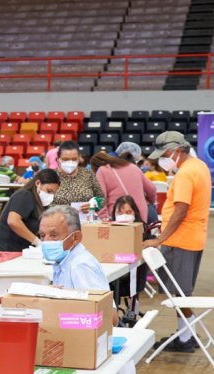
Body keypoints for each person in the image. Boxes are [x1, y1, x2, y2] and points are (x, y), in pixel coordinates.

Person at [143, 131, 212, 352]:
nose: (162, 159)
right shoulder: (199, 165)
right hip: (192, 237)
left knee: (179, 294)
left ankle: (186, 338)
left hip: (181, 240)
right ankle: (185, 334)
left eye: (165, 154)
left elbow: (181, 209)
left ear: (177, 150)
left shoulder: (184, 174)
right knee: (181, 292)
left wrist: (160, 239)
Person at [39, 205, 108, 291]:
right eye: (42, 236)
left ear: (76, 237)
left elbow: (94, 302)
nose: (46, 241)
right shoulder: (63, 261)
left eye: (54, 235)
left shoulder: (80, 265)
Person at [0, 169, 60, 252]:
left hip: (25, 250)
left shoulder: (40, 202)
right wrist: (37, 241)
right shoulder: (24, 195)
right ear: (38, 183)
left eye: (53, 193)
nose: (50, 195)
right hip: (9, 251)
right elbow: (13, 221)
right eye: (49, 191)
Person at [90, 151, 156, 223]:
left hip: (119, 215)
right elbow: (152, 188)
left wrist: (104, 217)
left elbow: (100, 198)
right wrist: (150, 202)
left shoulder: (101, 170)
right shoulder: (133, 167)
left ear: (95, 167)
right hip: (140, 213)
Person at [54, 141, 102, 207]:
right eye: (65, 159)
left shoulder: (88, 174)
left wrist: (93, 205)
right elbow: (42, 201)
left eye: (74, 159)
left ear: (79, 158)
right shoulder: (51, 176)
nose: (70, 162)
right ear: (58, 159)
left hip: (84, 216)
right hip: (57, 216)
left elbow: (102, 198)